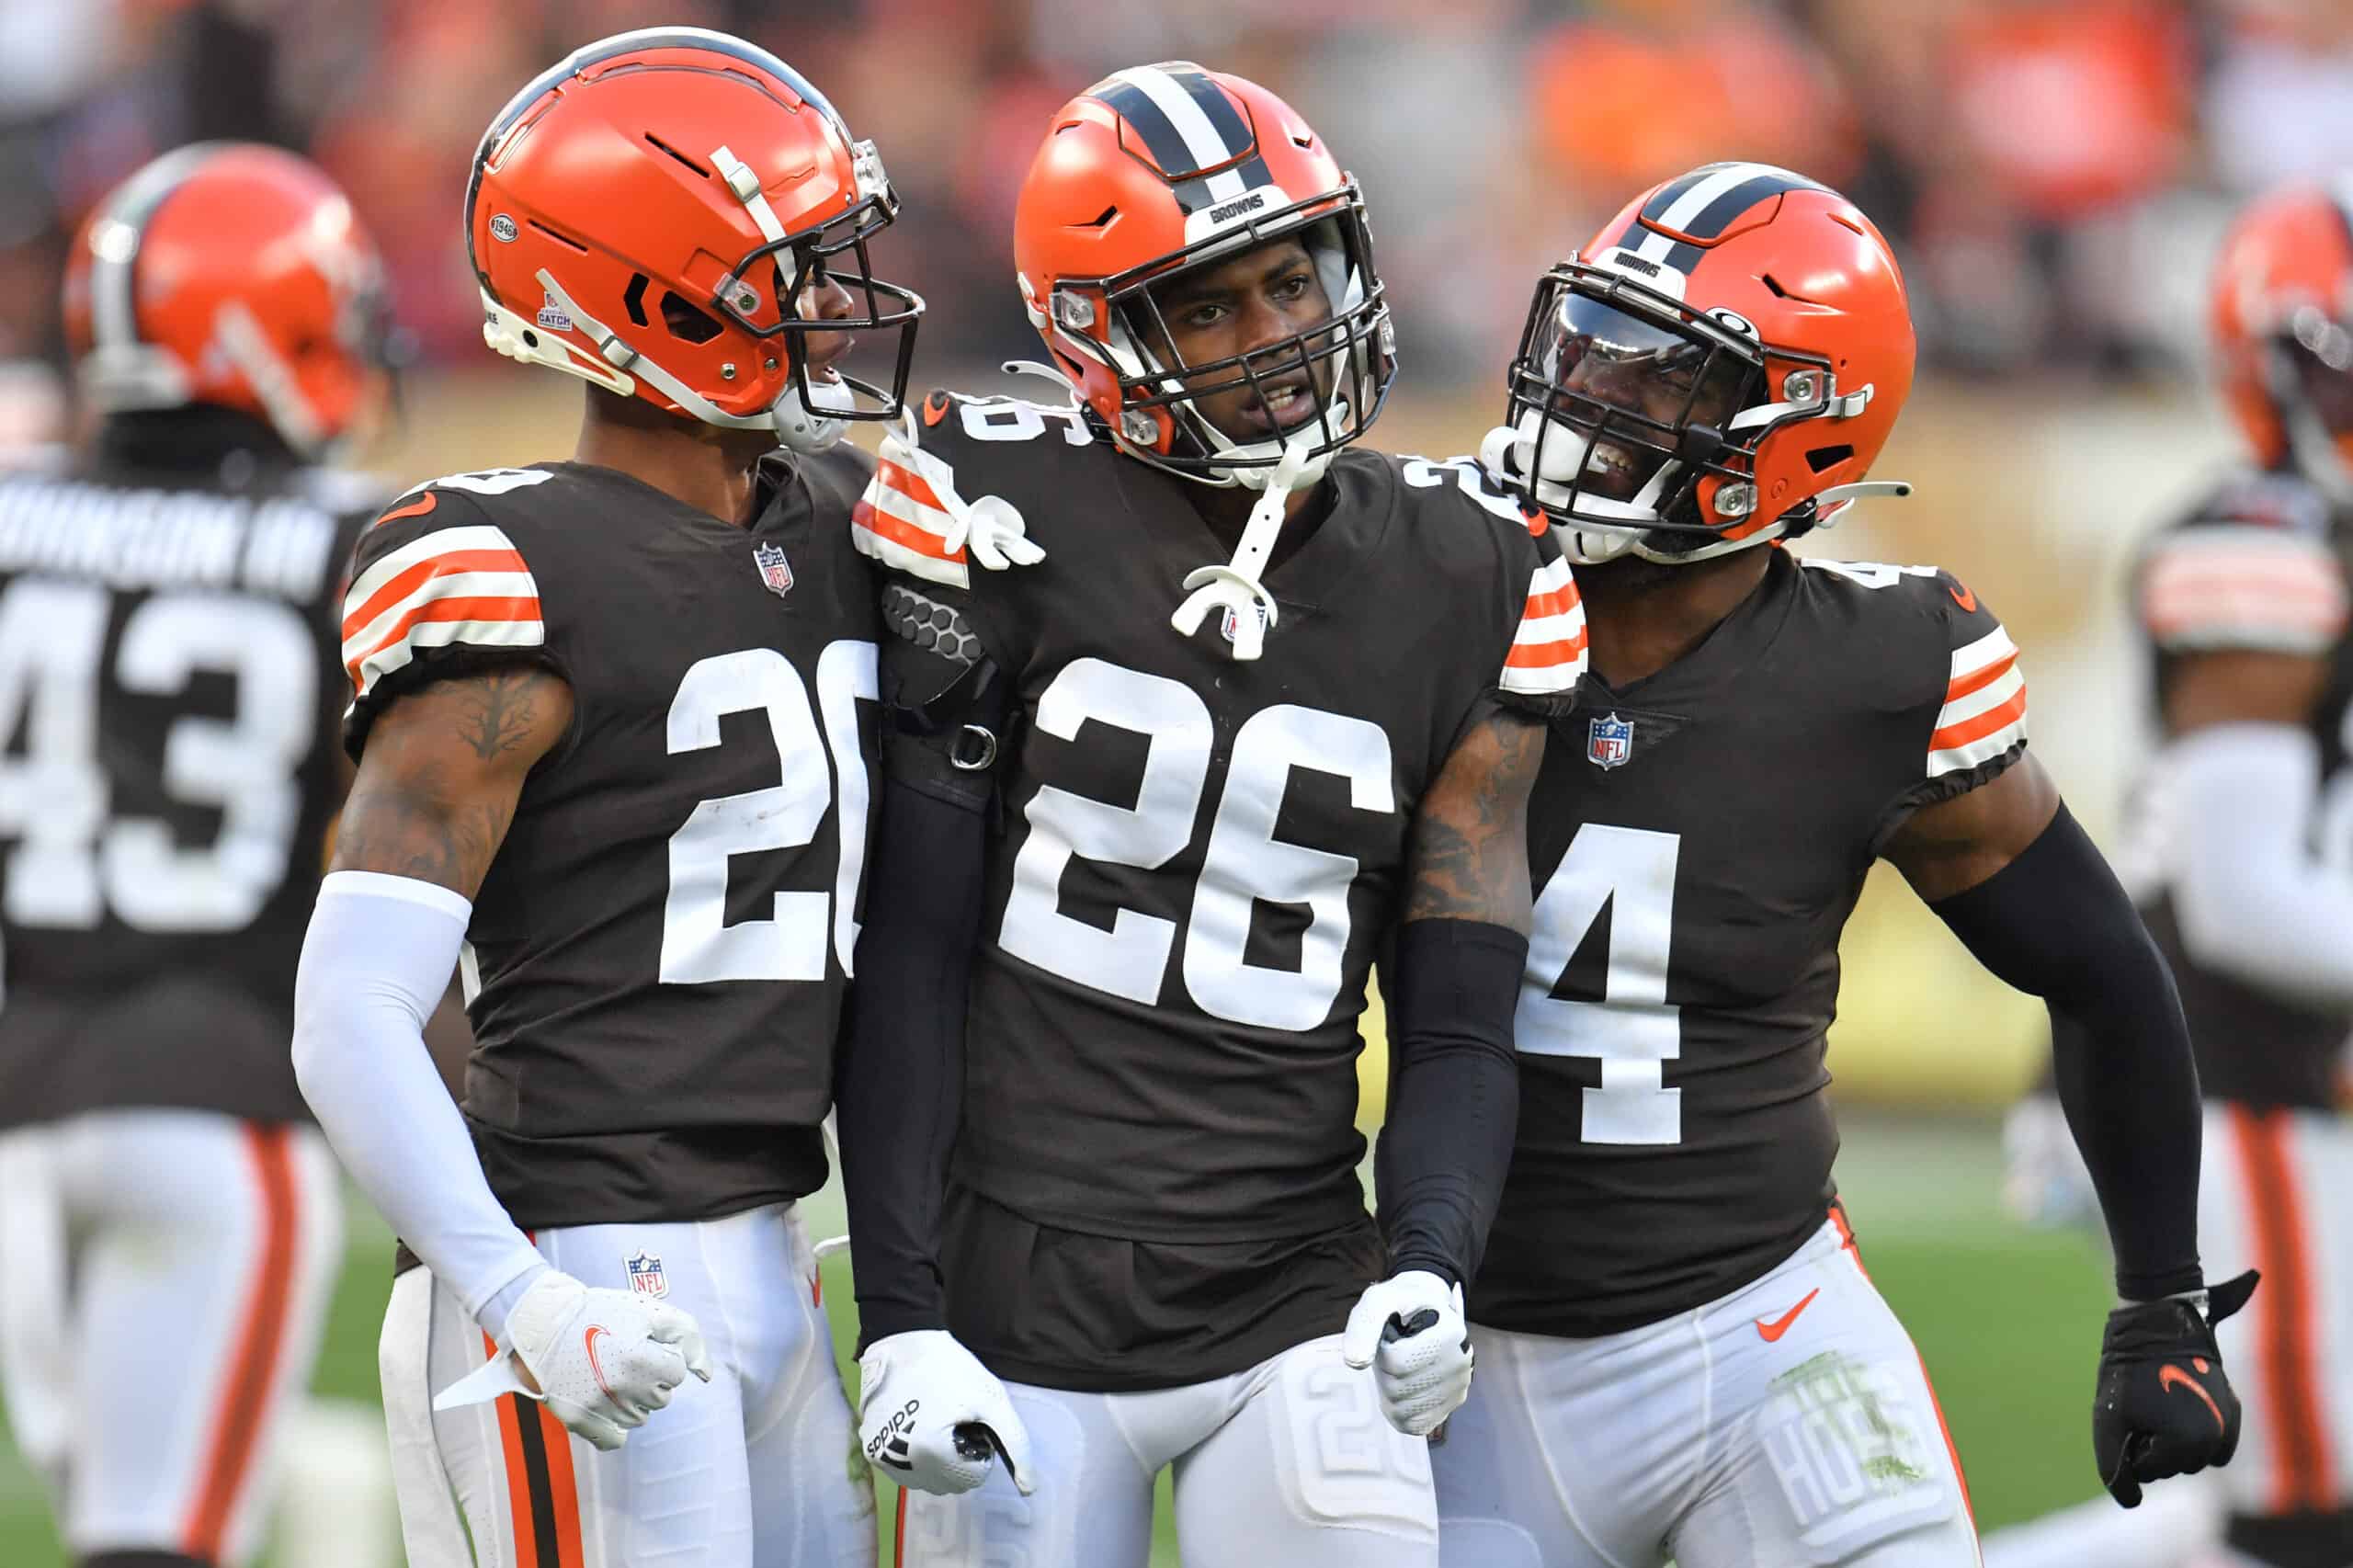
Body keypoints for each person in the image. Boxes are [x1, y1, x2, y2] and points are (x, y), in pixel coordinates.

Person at [1436, 161, 2255, 1568]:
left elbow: (2106, 971)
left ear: (1796, 441)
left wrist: (2161, 1300)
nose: (1588, 402)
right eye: (1593, 352)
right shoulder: (1425, 582)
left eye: (1656, 386)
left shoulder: (1879, 668)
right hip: (1453, 1344)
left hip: (1764, 1332)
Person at [830, 60, 1588, 1568]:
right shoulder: (989, 511)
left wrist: (1432, 1257)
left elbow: (1452, 1011)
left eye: (1291, 279)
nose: (1278, 338)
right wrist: (901, 1313)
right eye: (1211, 305)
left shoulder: (1475, 573)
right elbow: (907, 946)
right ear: (1097, 334)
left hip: (1294, 1287)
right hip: (1012, 1296)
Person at [286, 28, 919, 1568]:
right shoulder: (512, 573)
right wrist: (522, 1298)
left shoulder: (846, 518)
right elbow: (348, 1006)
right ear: (661, 297)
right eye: (796, 269)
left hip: (777, 1235)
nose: (840, 302)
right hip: (578, 1259)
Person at [0, 142, 391, 1568]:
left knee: (115, 1511)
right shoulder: (354, 541)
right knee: (162, 1542)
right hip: (222, 1095)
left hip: (17, 1097)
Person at [2004, 181, 2353, 1568]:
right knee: (2304, 1514)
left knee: (2270, 1500)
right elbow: (2245, 895)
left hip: (2270, 1067)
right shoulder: (2258, 540)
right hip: (2226, 1068)